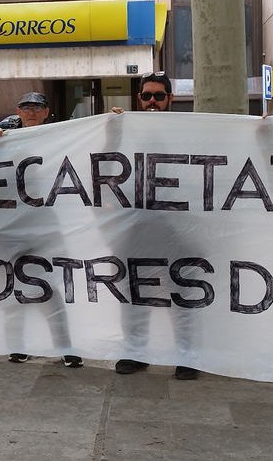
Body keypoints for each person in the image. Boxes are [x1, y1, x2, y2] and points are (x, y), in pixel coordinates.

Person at [112, 73, 199, 380]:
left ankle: (187, 356)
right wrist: (111, 129)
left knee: (183, 295)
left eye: (159, 96)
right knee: (134, 294)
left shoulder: (189, 131)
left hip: (179, 228)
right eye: (146, 95)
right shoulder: (125, 130)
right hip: (136, 229)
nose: (152, 101)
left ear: (170, 99)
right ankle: (135, 353)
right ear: (139, 98)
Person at [0, 92, 83, 368]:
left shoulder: (60, 135)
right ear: (18, 111)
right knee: (13, 287)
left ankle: (65, 345)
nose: (30, 112)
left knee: (49, 288)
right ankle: (17, 346)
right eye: (25, 107)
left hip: (43, 226)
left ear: (46, 112)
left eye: (36, 108)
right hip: (10, 227)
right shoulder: (4, 136)